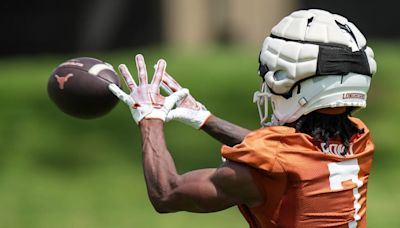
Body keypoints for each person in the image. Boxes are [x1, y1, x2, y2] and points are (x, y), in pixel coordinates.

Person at [109, 9, 377, 228]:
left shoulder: (265, 170)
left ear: (301, 89)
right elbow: (285, 154)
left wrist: (149, 119)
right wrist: (206, 119)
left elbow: (166, 193)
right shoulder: (359, 140)